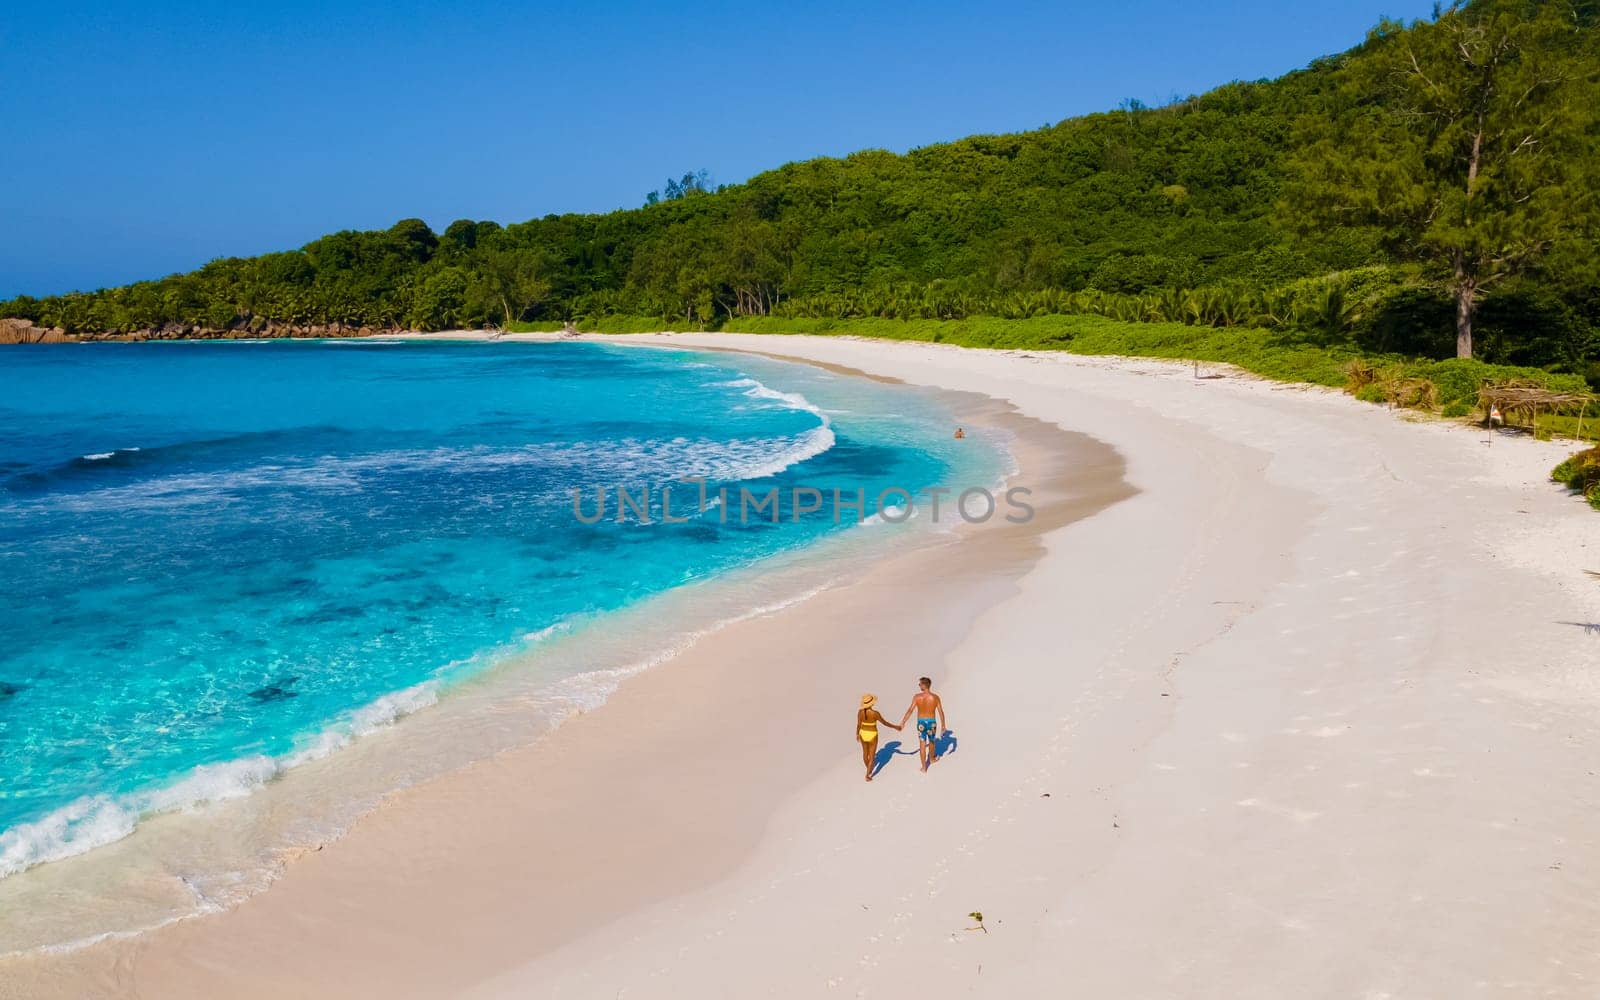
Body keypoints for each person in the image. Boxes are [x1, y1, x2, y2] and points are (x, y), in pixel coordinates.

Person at [898, 676, 947, 772]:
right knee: (932, 741)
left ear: (924, 685)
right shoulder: (935, 697)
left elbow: (910, 710)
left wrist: (903, 722)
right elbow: (941, 712)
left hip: (921, 723)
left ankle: (924, 767)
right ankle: (932, 759)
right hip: (931, 722)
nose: (919, 685)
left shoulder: (917, 697)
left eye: (920, 684)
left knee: (922, 744)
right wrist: (943, 725)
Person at [856, 694, 902, 781]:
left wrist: (857, 734)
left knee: (865, 753)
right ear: (872, 704)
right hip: (872, 734)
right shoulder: (875, 714)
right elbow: (885, 723)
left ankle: (868, 769)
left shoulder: (860, 712)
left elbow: (858, 725)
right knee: (872, 756)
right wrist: (896, 727)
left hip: (863, 733)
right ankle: (867, 775)